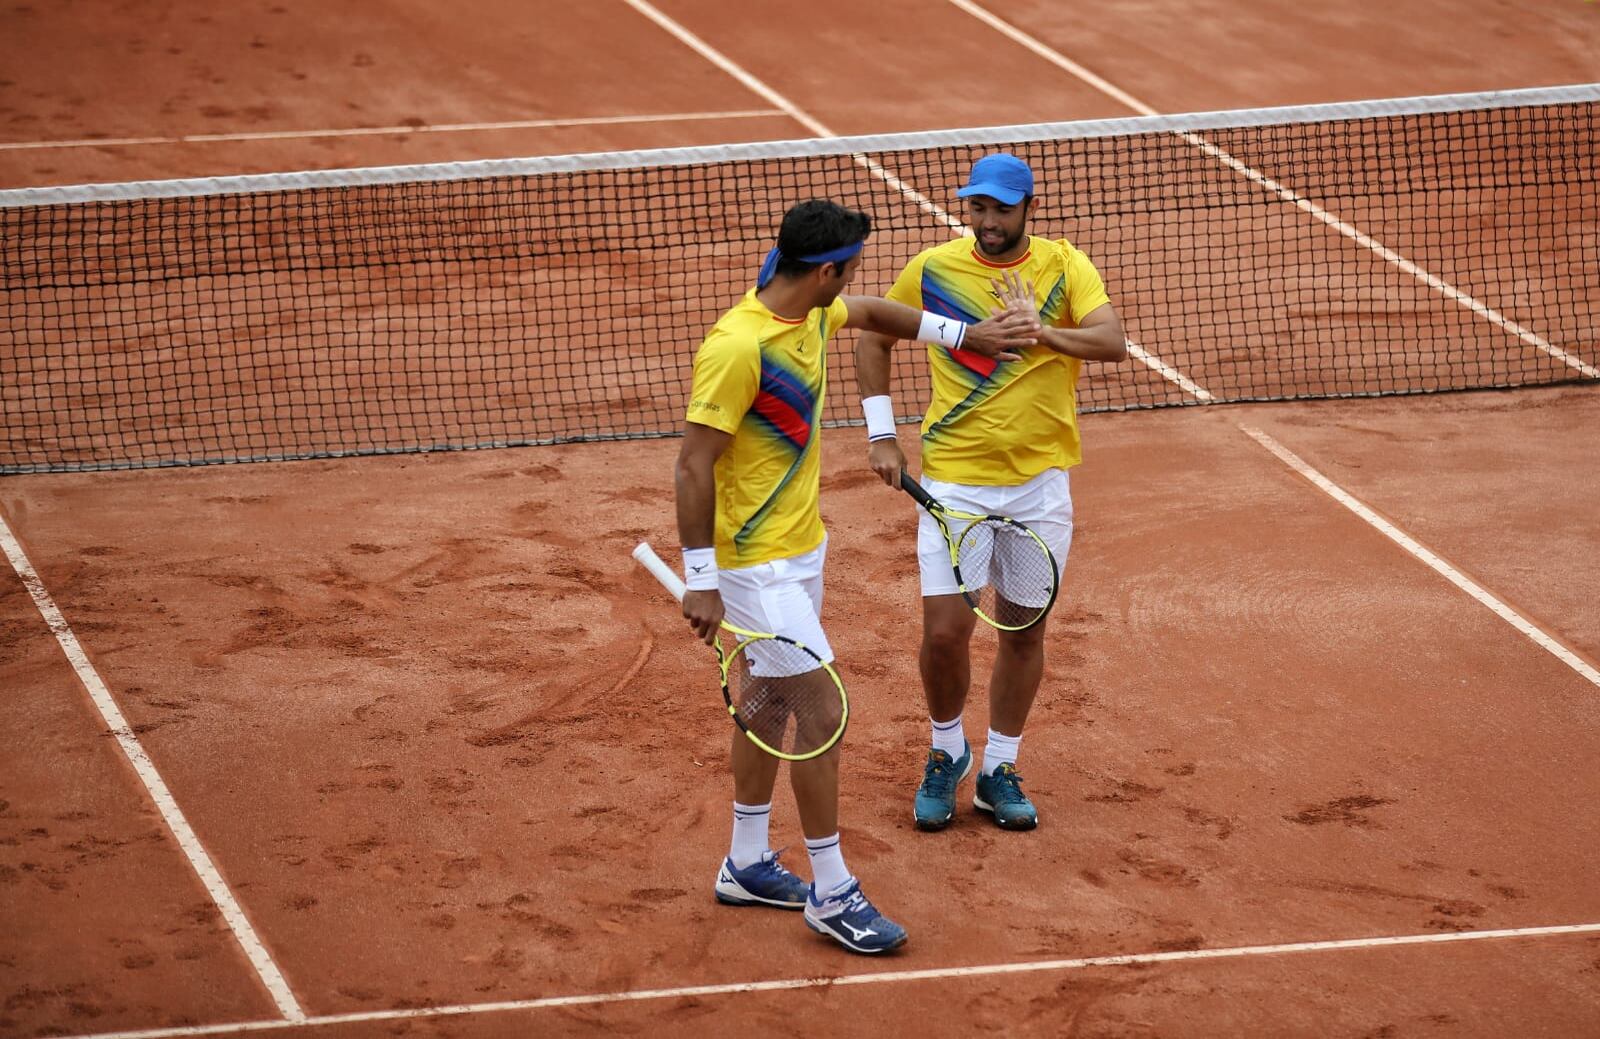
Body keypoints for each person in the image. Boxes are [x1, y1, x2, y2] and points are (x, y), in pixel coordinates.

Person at [675, 198, 1036, 953]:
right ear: (828, 268)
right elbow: (693, 463)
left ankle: (744, 861)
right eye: (854, 266)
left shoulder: (811, 311)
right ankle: (832, 889)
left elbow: (877, 313)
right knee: (823, 711)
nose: (858, 279)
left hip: (800, 549)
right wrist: (701, 577)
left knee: (768, 702)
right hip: (753, 566)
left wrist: (970, 333)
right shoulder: (739, 348)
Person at [854, 153, 1128, 833]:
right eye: (977, 207)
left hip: (1040, 485)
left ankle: (1000, 767)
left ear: (1027, 208)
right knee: (947, 633)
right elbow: (873, 334)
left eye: (1001, 209)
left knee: (1023, 628)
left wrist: (1044, 334)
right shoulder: (935, 268)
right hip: (956, 481)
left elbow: (1112, 341)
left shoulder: (1065, 266)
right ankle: (948, 751)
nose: (987, 221)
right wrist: (882, 434)